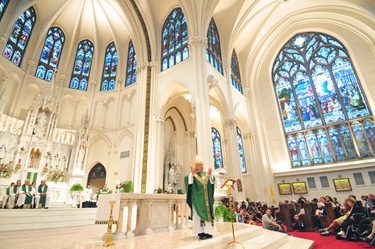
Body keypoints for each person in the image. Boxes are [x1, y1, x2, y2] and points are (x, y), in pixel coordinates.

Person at [184, 155, 215, 240]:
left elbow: (211, 183)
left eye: (202, 165)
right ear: (196, 167)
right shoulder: (193, 175)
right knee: (198, 216)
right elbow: (188, 181)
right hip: (198, 201)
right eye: (199, 165)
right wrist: (192, 175)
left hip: (207, 200)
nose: (202, 166)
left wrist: (210, 175)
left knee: (207, 216)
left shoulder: (206, 174)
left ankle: (207, 232)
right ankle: (200, 233)